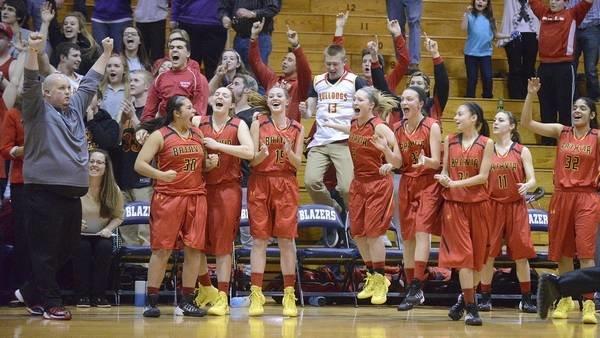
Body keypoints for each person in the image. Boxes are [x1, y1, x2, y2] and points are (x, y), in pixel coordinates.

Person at [14, 33, 113, 321]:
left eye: (69, 87)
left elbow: (92, 80)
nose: (68, 91)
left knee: (70, 247)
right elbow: (31, 81)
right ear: (46, 94)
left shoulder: (76, 109)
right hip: (42, 191)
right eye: (60, 88)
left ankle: (32, 292)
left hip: (72, 193)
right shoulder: (36, 110)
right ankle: (50, 302)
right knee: (45, 252)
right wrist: (34, 50)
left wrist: (106, 52)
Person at [521, 77, 600, 324]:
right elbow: (526, 123)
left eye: (582, 108)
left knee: (586, 253)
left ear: (593, 114)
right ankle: (565, 298)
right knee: (563, 252)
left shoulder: (597, 137)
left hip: (587, 197)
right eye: (575, 107)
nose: (576, 110)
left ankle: (588, 303)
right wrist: (530, 94)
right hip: (562, 196)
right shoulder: (561, 131)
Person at [325, 87, 401, 305]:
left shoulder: (380, 128)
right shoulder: (354, 124)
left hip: (378, 182)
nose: (354, 101)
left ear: (371, 105)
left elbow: (398, 159)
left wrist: (387, 160)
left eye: (359, 99)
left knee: (374, 233)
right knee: (357, 232)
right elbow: (351, 132)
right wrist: (330, 124)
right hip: (358, 182)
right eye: (354, 98)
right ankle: (371, 274)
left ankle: (380, 278)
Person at [134, 95, 208, 318]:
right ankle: (152, 300)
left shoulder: (197, 134)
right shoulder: (160, 135)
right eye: (188, 107)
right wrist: (161, 175)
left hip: (196, 196)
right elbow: (139, 164)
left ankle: (186, 300)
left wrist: (210, 164)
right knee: (162, 249)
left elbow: (201, 165)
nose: (193, 110)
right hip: (168, 198)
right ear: (176, 113)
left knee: (194, 249)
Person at [192, 86, 254, 316]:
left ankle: (222, 297)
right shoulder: (198, 121)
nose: (219, 96)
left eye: (225, 95)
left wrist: (218, 146)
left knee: (223, 246)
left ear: (232, 105)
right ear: (210, 100)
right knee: (194, 243)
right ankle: (205, 287)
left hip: (227, 189)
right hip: (199, 188)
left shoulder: (238, 124)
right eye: (216, 94)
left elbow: (249, 151)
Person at [434, 102, 494, 326]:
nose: (456, 117)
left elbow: (483, 177)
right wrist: (443, 178)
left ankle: (463, 298)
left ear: (474, 118)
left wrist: (454, 182)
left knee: (478, 261)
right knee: (465, 259)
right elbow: (445, 170)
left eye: (460, 114)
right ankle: (472, 308)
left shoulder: (486, 143)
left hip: (479, 205)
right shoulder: (450, 140)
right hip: (455, 206)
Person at [246, 86, 304, 317]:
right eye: (271, 96)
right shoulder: (257, 124)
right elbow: (251, 161)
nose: (275, 98)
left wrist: (288, 152)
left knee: (286, 241)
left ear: (288, 100)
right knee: (259, 240)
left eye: (279, 95)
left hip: (286, 184)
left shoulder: (297, 127)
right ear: (268, 102)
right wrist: (261, 154)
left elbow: (298, 163)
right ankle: (256, 294)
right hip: (260, 182)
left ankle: (289, 294)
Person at [477, 110, 537, 313]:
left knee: (521, 256)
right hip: (492, 206)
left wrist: (527, 185)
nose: (495, 122)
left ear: (511, 126)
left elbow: (533, 179)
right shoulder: (486, 149)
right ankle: (485, 297)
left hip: (515, 207)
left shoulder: (522, 151)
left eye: (501, 120)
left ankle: (527, 298)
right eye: (494, 119)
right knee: (488, 255)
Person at [391, 86, 442, 311]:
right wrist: (385, 156)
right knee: (408, 237)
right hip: (406, 183)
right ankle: (411, 288)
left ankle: (417, 285)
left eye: (409, 99)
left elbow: (437, 161)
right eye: (402, 99)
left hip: (428, 183)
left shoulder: (432, 126)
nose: (404, 102)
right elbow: (397, 161)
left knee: (422, 233)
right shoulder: (396, 128)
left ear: (420, 104)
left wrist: (426, 161)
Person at [303, 44, 368, 216]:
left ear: (344, 62)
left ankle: (354, 218)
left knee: (347, 188)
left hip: (344, 140)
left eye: (335, 64)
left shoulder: (355, 81)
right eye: (328, 64)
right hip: (320, 140)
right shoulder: (317, 81)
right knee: (310, 182)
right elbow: (309, 112)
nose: (331, 68)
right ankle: (333, 209)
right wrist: (305, 111)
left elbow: (368, 105)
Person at [529, 0, 594, 145]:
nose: (553, 2)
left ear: (565, 2)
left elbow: (588, 2)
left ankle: (566, 143)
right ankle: (547, 144)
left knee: (566, 107)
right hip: (544, 67)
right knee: (546, 107)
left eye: (557, 0)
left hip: (564, 67)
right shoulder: (543, 13)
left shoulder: (573, 14)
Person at [74, 149, 124, 308]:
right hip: (78, 234)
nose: (95, 165)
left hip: (102, 234)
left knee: (105, 248)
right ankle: (82, 296)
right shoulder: (76, 185)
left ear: (106, 167)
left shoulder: (113, 189)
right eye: (92, 161)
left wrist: (109, 229)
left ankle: (99, 296)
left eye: (99, 162)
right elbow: (63, 211)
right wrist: (73, 222)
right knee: (82, 248)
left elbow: (119, 216)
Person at [115, 69, 153, 246]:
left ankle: (145, 269)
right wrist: (123, 121)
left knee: (144, 229)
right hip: (124, 175)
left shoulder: (151, 112)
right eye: (130, 80)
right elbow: (116, 140)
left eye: (136, 80)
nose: (131, 83)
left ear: (147, 86)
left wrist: (133, 117)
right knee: (126, 229)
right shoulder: (125, 108)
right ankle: (129, 269)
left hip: (143, 179)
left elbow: (150, 141)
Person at [249, 19, 311, 122]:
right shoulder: (272, 80)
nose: (285, 62)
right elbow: (255, 62)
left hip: (288, 132)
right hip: (268, 129)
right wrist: (254, 38)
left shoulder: (300, 86)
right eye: (284, 59)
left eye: (290, 60)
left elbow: (306, 71)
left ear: (297, 65)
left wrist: (296, 46)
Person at [140, 37, 209, 121]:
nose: (174, 50)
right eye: (171, 48)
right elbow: (148, 113)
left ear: (188, 53)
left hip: (187, 126)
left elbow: (198, 113)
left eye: (179, 47)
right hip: (164, 126)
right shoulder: (160, 78)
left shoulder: (197, 78)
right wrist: (145, 129)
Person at [461, 0, 505, 98]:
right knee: (472, 79)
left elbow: (496, 34)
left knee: (488, 78)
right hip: (471, 53)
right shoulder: (470, 15)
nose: (480, 2)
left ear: (487, 4)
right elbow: (463, 28)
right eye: (478, 0)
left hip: (485, 54)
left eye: (484, 0)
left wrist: (508, 36)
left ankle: (487, 98)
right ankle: (470, 99)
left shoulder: (491, 19)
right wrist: (466, 14)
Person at [173, 0, 226, 80]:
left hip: (215, 23)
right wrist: (174, 16)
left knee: (214, 66)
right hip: (188, 21)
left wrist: (228, 15)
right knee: (188, 64)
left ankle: (214, 92)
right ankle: (187, 91)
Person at [497, 0, 540, 99]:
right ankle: (515, 98)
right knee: (514, 68)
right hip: (512, 33)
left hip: (532, 32)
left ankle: (528, 97)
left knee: (529, 68)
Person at [218, 0, 281, 67]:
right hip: (240, 37)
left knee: (258, 70)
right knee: (239, 70)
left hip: (260, 37)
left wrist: (252, 13)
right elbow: (223, 7)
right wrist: (224, 17)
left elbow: (273, 8)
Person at [568, 0, 600, 101]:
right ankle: (572, 95)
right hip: (572, 25)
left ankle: (593, 97)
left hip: (592, 26)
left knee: (590, 68)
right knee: (570, 65)